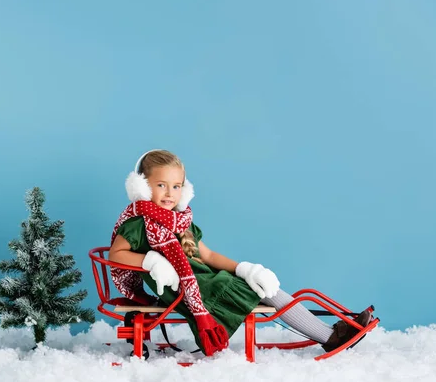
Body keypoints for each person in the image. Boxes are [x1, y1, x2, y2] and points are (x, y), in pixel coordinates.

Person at [108, 149, 371, 356]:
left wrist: (245, 268)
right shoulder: (139, 224)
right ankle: (330, 336)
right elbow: (116, 254)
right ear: (142, 187)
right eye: (161, 185)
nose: (169, 193)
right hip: (190, 294)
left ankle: (331, 332)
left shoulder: (181, 222)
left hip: (208, 281)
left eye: (176, 186)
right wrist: (150, 261)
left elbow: (208, 257)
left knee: (265, 287)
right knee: (267, 294)